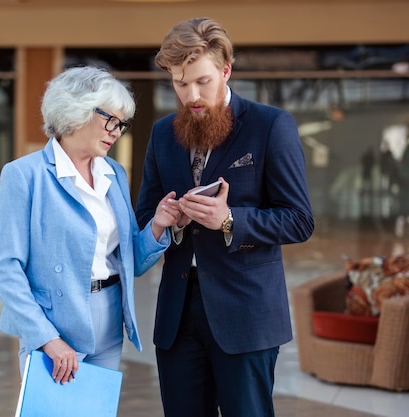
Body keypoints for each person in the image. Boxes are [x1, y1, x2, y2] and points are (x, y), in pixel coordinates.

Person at [135, 17, 315, 417]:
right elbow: (145, 214)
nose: (192, 95)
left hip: (247, 315)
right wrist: (167, 222)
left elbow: (299, 219)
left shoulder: (271, 126)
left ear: (226, 70)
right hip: (178, 317)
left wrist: (230, 219)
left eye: (202, 81)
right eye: (180, 84)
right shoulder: (163, 133)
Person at [0, 66, 180, 385]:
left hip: (109, 323)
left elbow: (130, 261)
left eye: (122, 124)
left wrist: (159, 223)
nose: (117, 132)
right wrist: (47, 338)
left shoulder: (114, 173)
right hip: (55, 327)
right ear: (75, 110)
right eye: (111, 121)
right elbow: (6, 269)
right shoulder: (24, 175)